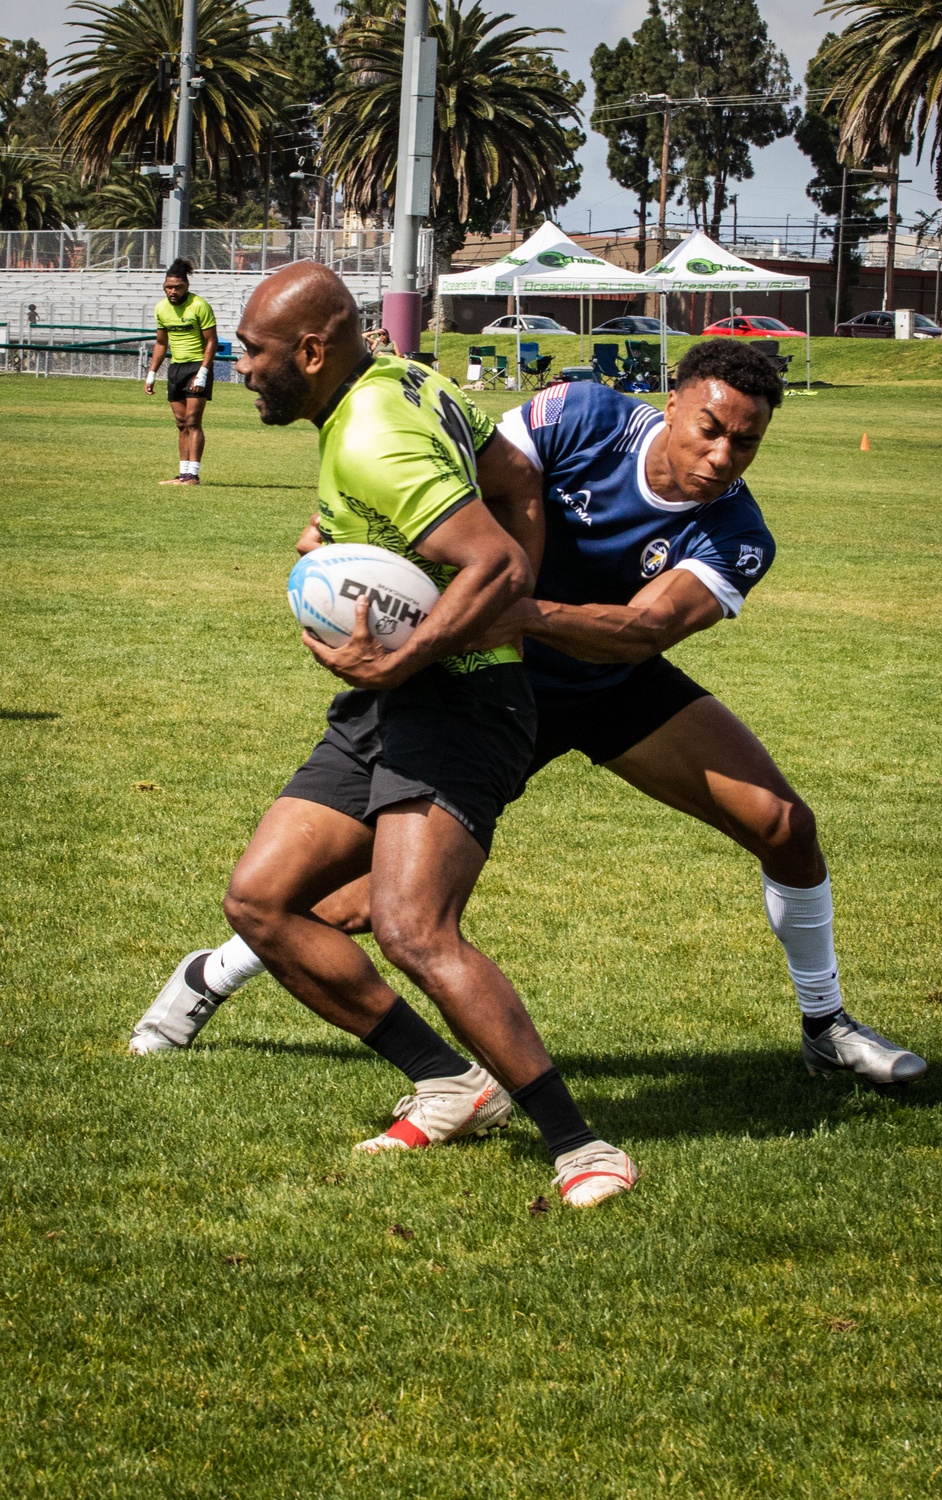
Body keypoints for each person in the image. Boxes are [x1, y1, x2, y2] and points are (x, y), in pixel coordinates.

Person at [133, 341, 924, 1114]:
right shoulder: (581, 414)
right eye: (710, 429)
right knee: (372, 902)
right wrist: (348, 533)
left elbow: (642, 631)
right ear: (672, 402)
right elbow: (460, 478)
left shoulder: (740, 536)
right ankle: (213, 975)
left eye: (746, 442)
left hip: (607, 682)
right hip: (484, 682)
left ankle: (826, 1025)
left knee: (784, 824)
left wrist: (513, 612)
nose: (723, 456)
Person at [133, 259, 638, 1210]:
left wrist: (431, 641)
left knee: (414, 928)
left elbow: (485, 558)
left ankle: (582, 1144)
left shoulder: (372, 433)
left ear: (313, 352)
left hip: (465, 702)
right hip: (392, 703)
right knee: (262, 900)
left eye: (255, 351)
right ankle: (450, 1082)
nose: (240, 367)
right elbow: (513, 473)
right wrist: (340, 540)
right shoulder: (405, 382)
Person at [144, 258, 219, 486]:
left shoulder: (199, 306)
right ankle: (182, 474)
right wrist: (151, 373)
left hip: (197, 366)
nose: (173, 291)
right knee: (180, 423)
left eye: (178, 287)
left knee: (193, 421)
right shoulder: (161, 308)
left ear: (186, 286)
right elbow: (160, 343)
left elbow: (212, 341)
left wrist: (203, 373)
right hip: (176, 368)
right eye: (168, 287)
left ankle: (193, 475)